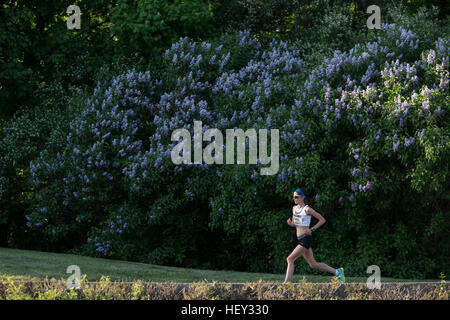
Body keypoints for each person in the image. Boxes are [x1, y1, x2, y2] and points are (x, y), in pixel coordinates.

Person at [283, 188, 345, 284]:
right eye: (293, 197)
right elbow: (297, 224)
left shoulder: (307, 209)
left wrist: (312, 229)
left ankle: (286, 283)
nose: (294, 199)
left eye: (296, 197)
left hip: (306, 239)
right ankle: (338, 272)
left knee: (290, 259)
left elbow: (322, 220)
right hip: (299, 239)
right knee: (313, 264)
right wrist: (291, 224)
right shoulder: (294, 208)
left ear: (302, 197)